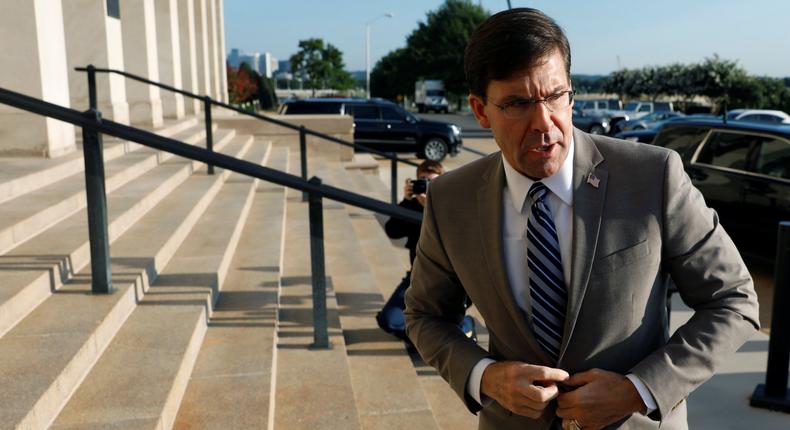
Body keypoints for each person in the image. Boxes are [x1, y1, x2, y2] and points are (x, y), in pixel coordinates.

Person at [404, 8, 759, 430]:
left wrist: (639, 389)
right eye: (518, 103)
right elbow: (425, 315)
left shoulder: (653, 175)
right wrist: (486, 377)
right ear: (481, 111)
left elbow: (734, 300)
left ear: (571, 92)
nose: (544, 123)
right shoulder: (451, 198)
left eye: (555, 96)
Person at [377, 160, 476, 343]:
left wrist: (428, 209)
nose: (426, 186)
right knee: (389, 321)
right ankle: (429, 337)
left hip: (453, 282)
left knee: (447, 325)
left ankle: (465, 324)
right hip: (418, 278)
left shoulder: (452, 206)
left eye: (432, 182)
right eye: (422, 181)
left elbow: (457, 241)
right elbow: (393, 231)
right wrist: (406, 202)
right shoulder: (412, 205)